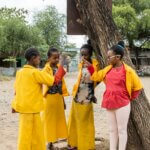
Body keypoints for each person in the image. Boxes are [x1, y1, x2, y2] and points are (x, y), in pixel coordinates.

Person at [85, 41, 143, 150]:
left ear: (117, 57)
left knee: (121, 130)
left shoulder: (129, 71)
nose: (107, 59)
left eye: (109, 57)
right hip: (109, 102)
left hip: (123, 104)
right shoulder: (107, 69)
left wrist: (129, 98)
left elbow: (138, 87)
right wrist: (90, 67)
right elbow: (96, 77)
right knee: (112, 130)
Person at [11, 48, 65, 150]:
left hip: (25, 109)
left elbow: (16, 90)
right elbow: (54, 81)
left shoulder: (20, 72)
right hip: (32, 109)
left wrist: (14, 105)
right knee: (33, 136)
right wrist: (61, 66)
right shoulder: (35, 73)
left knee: (31, 134)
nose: (40, 61)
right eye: (38, 58)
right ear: (33, 58)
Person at [68, 42, 99, 150]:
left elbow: (97, 78)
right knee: (74, 121)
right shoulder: (80, 64)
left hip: (86, 98)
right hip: (77, 96)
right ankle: (74, 143)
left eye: (85, 54)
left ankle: (86, 146)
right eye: (81, 54)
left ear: (90, 54)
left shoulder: (95, 64)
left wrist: (92, 94)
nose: (83, 57)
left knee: (85, 122)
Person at [42, 48, 69, 150]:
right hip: (49, 98)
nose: (57, 60)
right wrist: (61, 67)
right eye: (54, 58)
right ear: (48, 58)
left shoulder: (58, 68)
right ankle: (49, 143)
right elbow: (52, 82)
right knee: (49, 122)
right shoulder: (45, 70)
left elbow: (60, 86)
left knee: (57, 121)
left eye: (58, 57)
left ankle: (52, 142)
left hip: (58, 98)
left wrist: (63, 100)